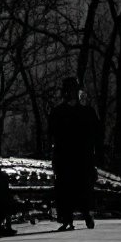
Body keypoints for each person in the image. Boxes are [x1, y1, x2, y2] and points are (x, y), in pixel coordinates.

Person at [48, 80, 101, 230]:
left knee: (82, 187)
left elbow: (96, 134)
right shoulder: (58, 113)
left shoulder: (86, 112)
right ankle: (68, 218)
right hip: (65, 157)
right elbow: (52, 134)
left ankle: (85, 214)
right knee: (66, 189)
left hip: (82, 157)